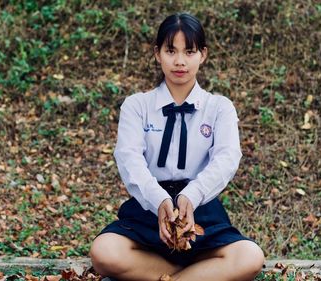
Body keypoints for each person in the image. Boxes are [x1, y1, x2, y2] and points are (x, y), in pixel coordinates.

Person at [90, 12, 265, 281]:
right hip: (149, 208)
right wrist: (159, 199)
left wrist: (190, 195)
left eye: (189, 51)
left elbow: (227, 159)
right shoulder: (138, 106)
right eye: (170, 50)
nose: (180, 61)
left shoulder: (218, 108)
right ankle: (200, 277)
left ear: (202, 55)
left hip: (200, 209)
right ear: (157, 54)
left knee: (250, 257)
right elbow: (129, 159)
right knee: (103, 251)